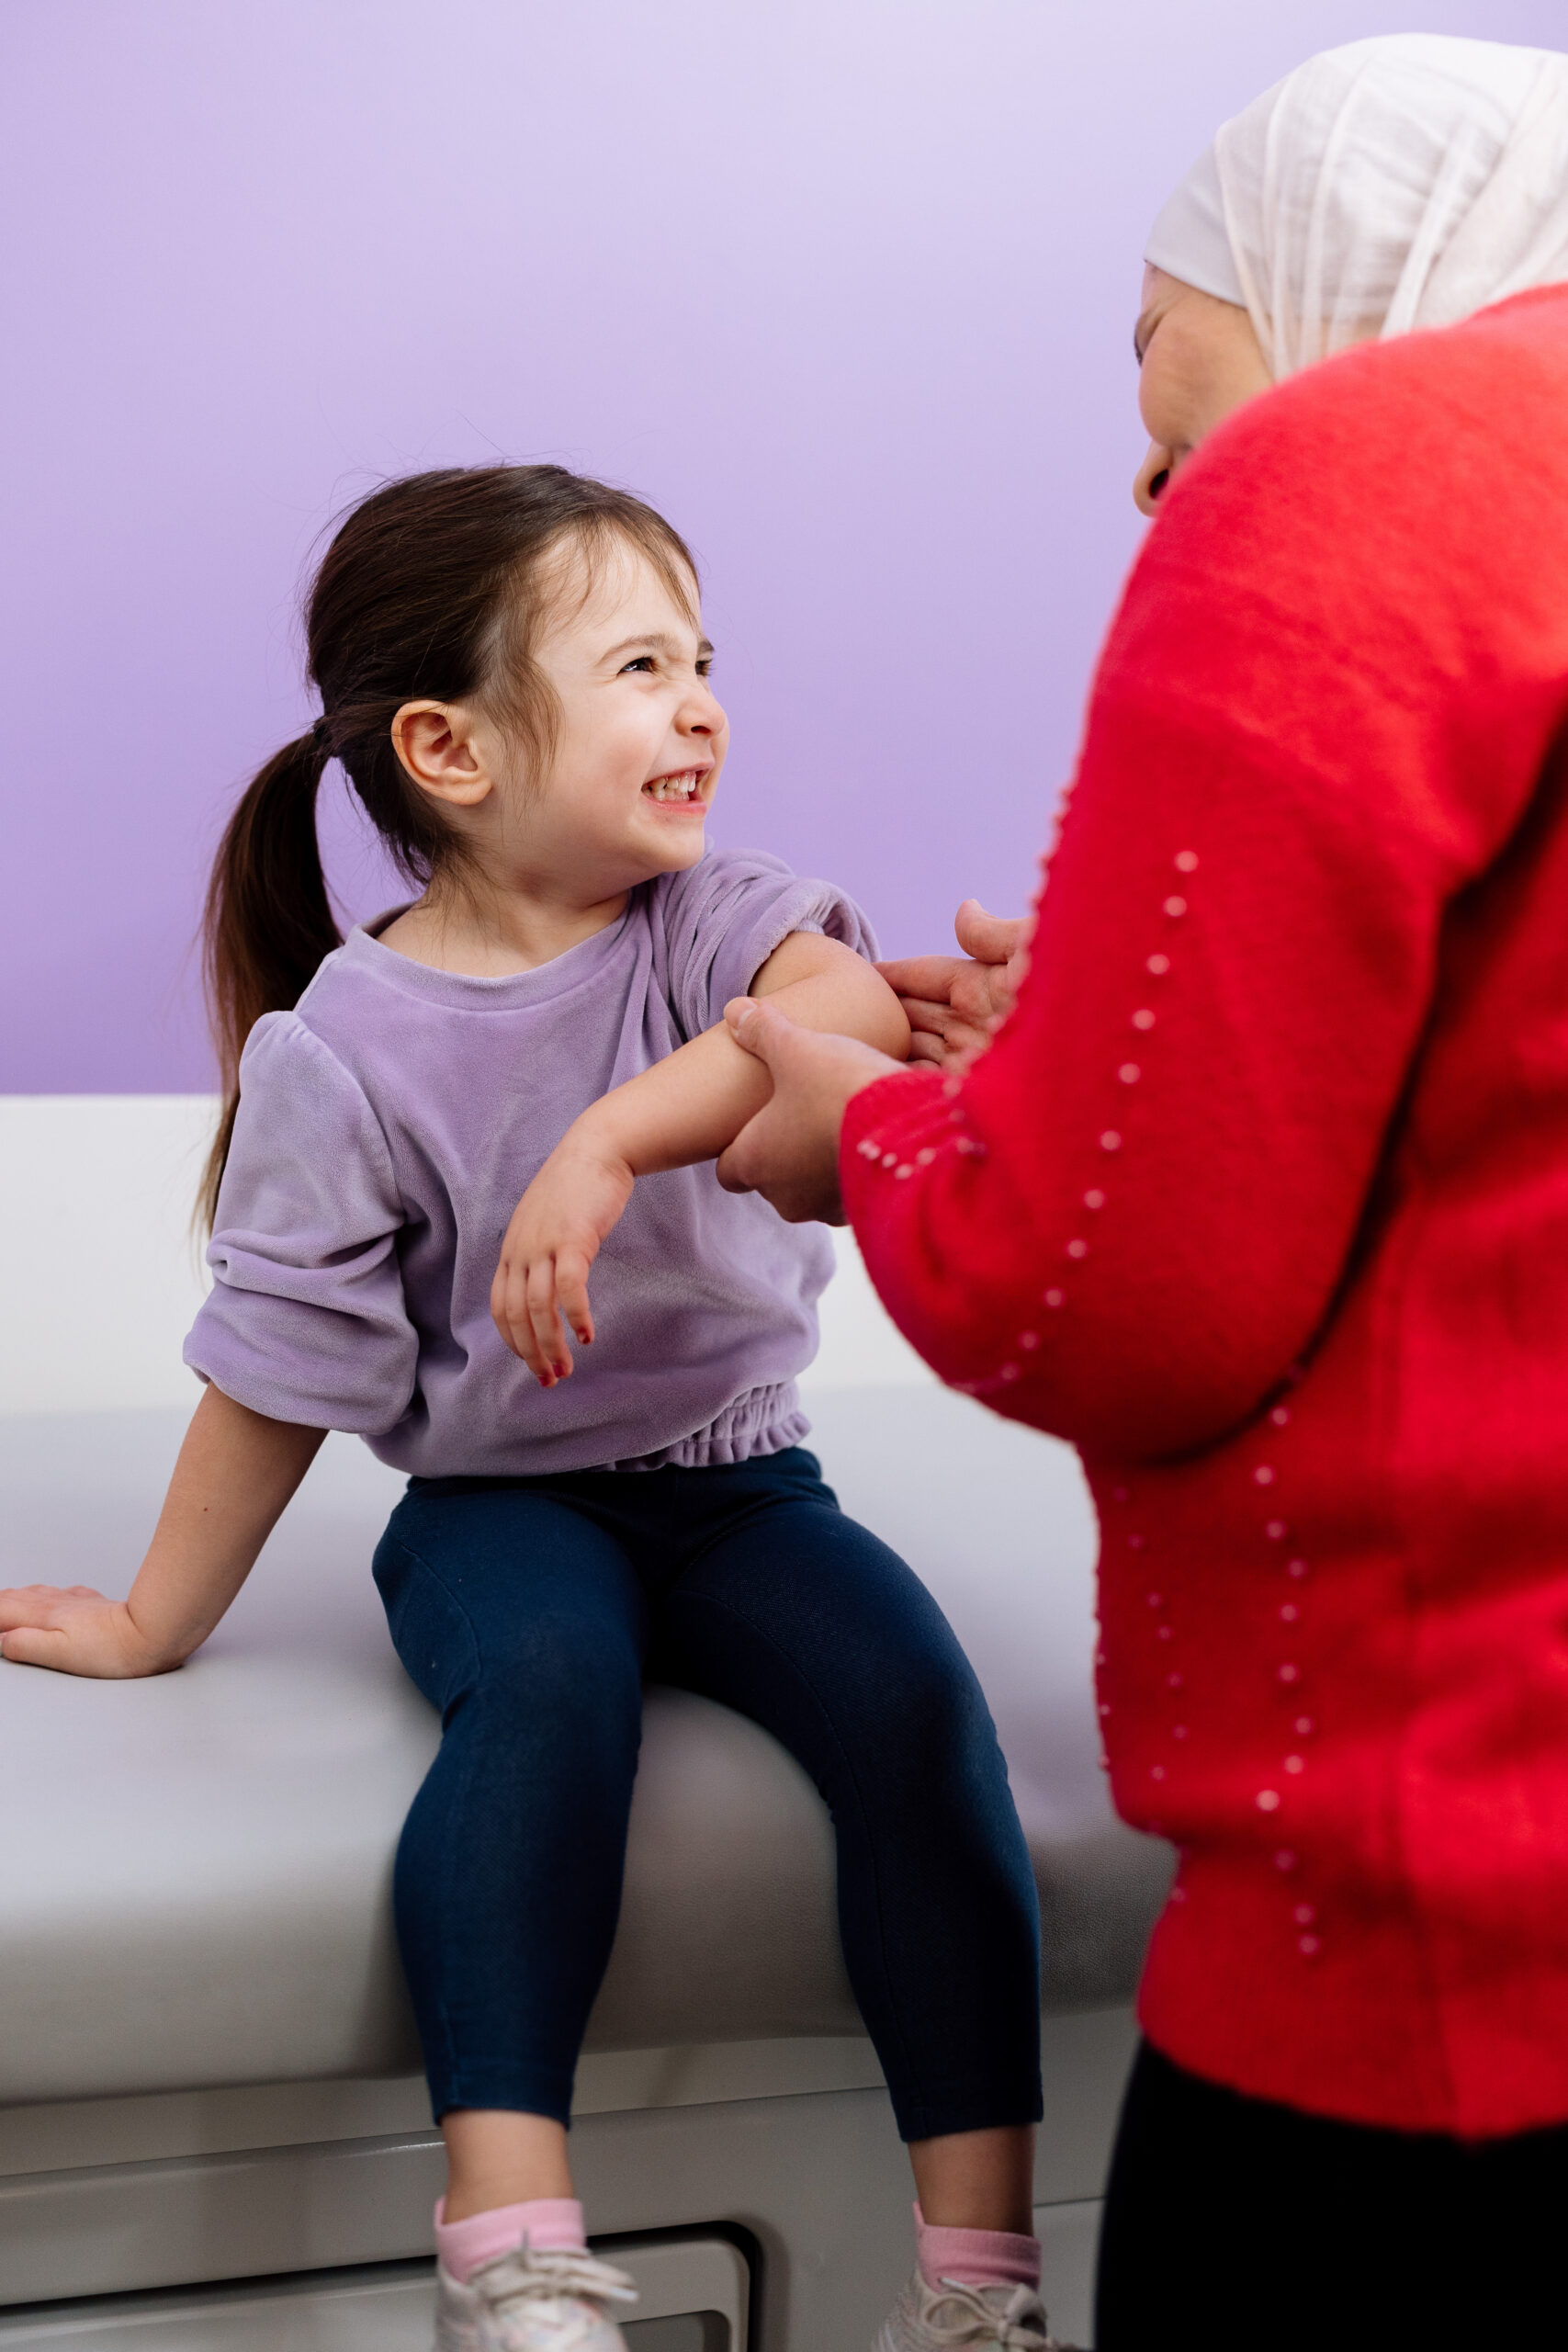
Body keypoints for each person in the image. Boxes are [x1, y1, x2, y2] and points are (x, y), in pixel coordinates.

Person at [0, 466, 1059, 2352]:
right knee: (548, 1694)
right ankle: (510, 2247)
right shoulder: (347, 1040)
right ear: (451, 747)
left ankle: (976, 2281)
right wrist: (156, 1617)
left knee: (913, 1706)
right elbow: (278, 1360)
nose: (701, 704)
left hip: (741, 1484)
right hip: (502, 1503)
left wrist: (595, 1143)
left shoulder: (724, 915)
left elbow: (836, 1023)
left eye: (703, 658)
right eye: (639, 663)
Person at [712, 34, 1568, 2347]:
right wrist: (1097, 1058)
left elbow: (1100, 1287)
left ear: (1339, 271)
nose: (1141, 460)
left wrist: (867, 1134)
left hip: (1456, 1980)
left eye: (1151, 350)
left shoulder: (1361, 466)